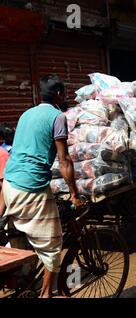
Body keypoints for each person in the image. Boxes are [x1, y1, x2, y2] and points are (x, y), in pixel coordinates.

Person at [0, 75, 86, 298]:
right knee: (53, 247)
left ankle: (22, 280)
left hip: (9, 184)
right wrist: (75, 194)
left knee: (21, 236)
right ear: (58, 94)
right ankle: (46, 293)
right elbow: (64, 160)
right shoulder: (57, 117)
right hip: (31, 189)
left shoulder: (26, 113)